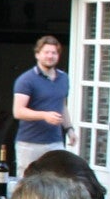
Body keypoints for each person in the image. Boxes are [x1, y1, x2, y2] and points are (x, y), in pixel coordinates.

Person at [12, 34, 73, 173]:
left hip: (55, 142)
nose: (50, 56)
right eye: (46, 52)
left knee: (57, 180)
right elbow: (18, 111)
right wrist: (44, 115)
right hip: (30, 143)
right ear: (37, 54)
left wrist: (69, 129)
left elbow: (62, 105)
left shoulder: (63, 78)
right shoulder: (26, 80)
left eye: (54, 53)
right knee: (28, 181)